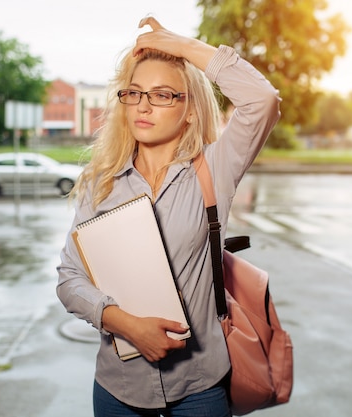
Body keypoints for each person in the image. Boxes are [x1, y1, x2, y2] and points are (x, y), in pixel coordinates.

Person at [56, 16, 280, 417]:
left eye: (162, 95)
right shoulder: (100, 183)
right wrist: (122, 322)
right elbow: (70, 278)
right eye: (135, 92)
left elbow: (261, 100)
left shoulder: (215, 169)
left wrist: (180, 46)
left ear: (190, 110)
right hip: (117, 391)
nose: (143, 105)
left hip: (200, 388)